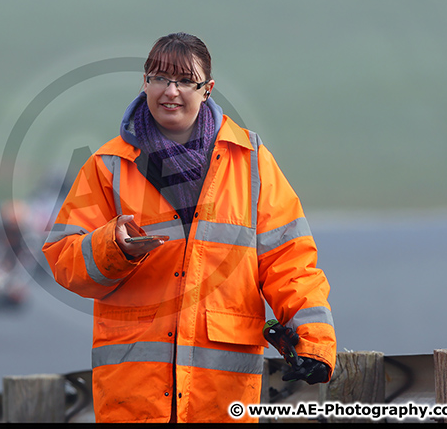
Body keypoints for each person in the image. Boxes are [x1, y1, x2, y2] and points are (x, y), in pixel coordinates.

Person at [42, 33, 336, 423]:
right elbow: (64, 259)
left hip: (220, 397)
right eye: (160, 78)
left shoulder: (251, 163)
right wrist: (115, 248)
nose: (171, 91)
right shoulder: (107, 165)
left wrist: (314, 343)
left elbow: (290, 260)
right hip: (134, 395)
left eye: (185, 81)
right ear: (144, 83)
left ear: (208, 89)